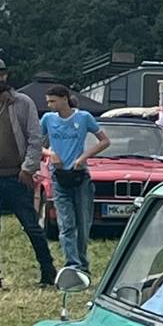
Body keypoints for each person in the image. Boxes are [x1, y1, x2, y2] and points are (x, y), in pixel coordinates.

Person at [0, 58, 55, 290]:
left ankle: (48, 270)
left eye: (2, 74)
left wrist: (28, 168)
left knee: (32, 226)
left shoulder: (23, 103)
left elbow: (35, 139)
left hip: (17, 177)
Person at [39, 85, 107, 273]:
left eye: (52, 101)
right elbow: (33, 142)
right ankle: (72, 264)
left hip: (80, 176)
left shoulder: (83, 118)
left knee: (83, 223)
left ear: (64, 99)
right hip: (59, 176)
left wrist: (84, 157)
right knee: (66, 223)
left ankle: (83, 263)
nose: (50, 105)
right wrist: (49, 153)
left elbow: (104, 141)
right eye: (48, 102)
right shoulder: (48, 119)